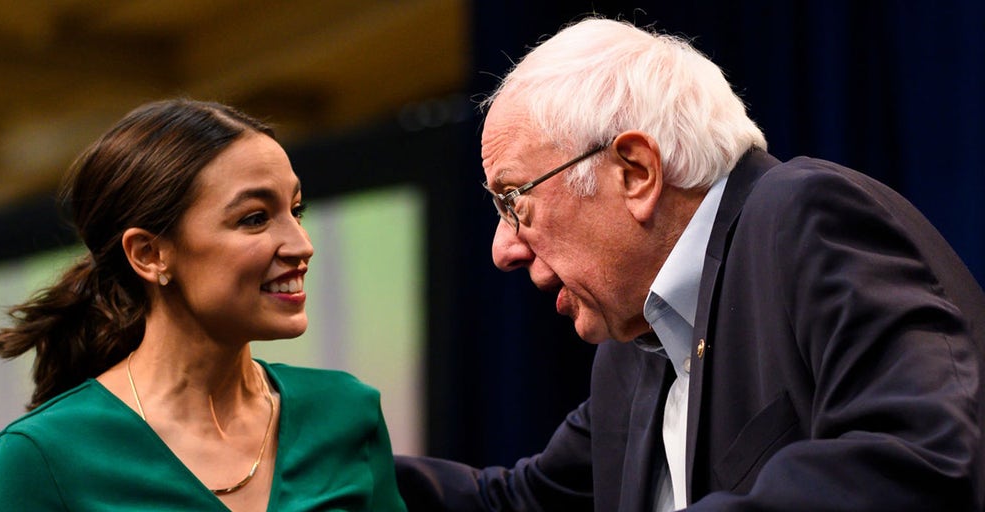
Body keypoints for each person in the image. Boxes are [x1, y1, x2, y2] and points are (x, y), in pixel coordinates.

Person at [394, 16, 985, 511]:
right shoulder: (630, 357)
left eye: (513, 200)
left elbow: (924, 454)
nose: (503, 249)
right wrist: (314, 440)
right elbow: (516, 503)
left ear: (636, 172)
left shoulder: (801, 217)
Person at [0, 99, 407, 511]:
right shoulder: (38, 457)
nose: (301, 244)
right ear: (148, 254)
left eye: (297, 210)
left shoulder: (346, 412)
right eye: (254, 218)